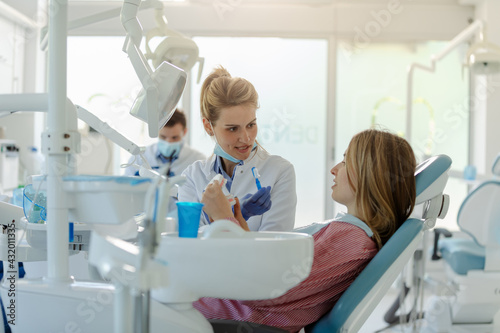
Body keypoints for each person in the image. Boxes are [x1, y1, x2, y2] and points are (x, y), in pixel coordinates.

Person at [195, 129, 417, 332]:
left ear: (370, 175)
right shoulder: (346, 233)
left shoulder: (350, 241)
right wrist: (237, 220)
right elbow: (264, 265)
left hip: (226, 320)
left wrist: (222, 219)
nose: (334, 169)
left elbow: (262, 288)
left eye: (346, 160)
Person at [178, 66, 297, 231]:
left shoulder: (280, 172)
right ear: (208, 126)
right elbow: (190, 243)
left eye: (251, 125)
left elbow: (274, 250)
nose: (246, 137)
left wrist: (227, 220)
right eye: (233, 129)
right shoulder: (192, 177)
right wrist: (237, 216)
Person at [123, 108, 205, 177]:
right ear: (157, 132)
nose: (168, 142)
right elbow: (125, 189)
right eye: (163, 137)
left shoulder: (198, 161)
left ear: (184, 132)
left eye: (175, 137)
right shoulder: (139, 158)